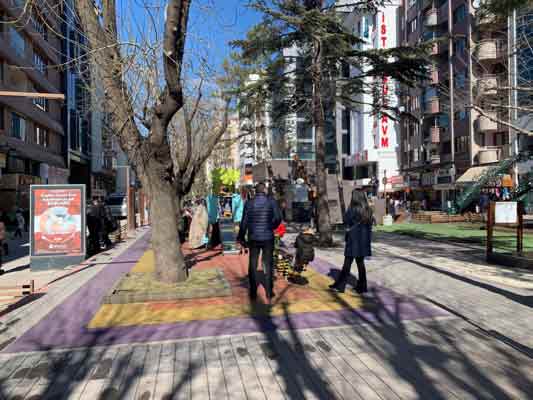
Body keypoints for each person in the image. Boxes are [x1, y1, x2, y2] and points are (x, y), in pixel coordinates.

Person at [238, 182, 282, 304]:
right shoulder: (271, 201)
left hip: (253, 237)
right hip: (268, 237)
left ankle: (253, 292)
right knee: (268, 264)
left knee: (252, 264)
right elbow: (278, 217)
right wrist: (271, 226)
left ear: (255, 191)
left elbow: (244, 222)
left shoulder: (249, 203)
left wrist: (241, 237)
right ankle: (269, 292)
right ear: (265, 190)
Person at [329, 189, 372, 294]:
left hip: (353, 241)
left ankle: (340, 285)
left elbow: (346, 220)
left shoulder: (353, 209)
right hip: (363, 242)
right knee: (360, 264)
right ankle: (362, 286)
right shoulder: (368, 209)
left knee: (347, 264)